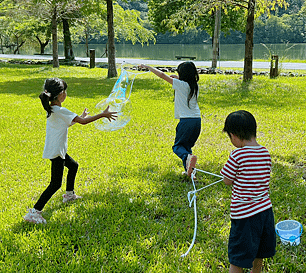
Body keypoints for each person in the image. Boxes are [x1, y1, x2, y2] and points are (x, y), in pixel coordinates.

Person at [24, 78, 117, 224]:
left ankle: (69, 195)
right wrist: (103, 115)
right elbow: (83, 122)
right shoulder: (61, 110)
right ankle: (34, 212)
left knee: (73, 165)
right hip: (56, 152)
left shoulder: (52, 109)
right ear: (61, 94)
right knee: (55, 184)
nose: (66, 93)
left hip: (56, 148)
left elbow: (67, 123)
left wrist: (81, 116)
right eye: (65, 91)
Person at [208, 110, 275, 273]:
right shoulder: (265, 152)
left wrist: (232, 176)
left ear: (235, 135)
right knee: (259, 249)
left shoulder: (238, 155)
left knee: (238, 253)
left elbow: (227, 180)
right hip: (264, 211)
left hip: (244, 214)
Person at [138, 62, 200, 176]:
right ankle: (190, 172)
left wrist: (149, 67)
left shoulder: (180, 85)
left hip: (186, 121)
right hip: (197, 121)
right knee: (186, 147)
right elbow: (185, 83)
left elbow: (162, 75)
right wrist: (178, 78)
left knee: (178, 147)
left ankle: (188, 160)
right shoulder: (194, 85)